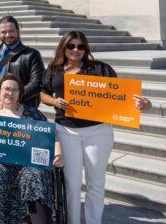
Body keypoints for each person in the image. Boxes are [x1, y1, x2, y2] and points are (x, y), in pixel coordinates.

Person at [40, 31, 153, 224]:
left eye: (80, 46)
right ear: (64, 47)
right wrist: (54, 101)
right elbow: (43, 92)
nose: (76, 50)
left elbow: (121, 95)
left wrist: (145, 104)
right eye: (71, 46)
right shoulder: (54, 69)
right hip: (66, 131)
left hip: (98, 132)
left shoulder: (100, 69)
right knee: (72, 184)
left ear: (86, 49)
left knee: (96, 183)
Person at [0, 73, 64, 224]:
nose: (9, 93)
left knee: (34, 176)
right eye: (6, 89)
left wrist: (58, 153)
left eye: (14, 90)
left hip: (25, 164)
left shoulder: (33, 114)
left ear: (20, 93)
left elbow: (52, 137)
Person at [0, 16, 44, 107]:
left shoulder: (32, 55)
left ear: (18, 31)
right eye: (3, 32)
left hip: (21, 109)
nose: (8, 35)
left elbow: (36, 83)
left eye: (11, 31)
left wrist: (11, 98)